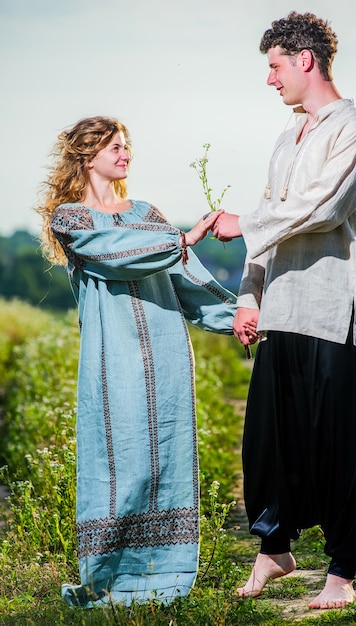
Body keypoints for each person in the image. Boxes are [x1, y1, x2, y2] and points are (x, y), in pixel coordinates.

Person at [212, 11, 356, 610]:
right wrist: (249, 296)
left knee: (342, 444)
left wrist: (242, 223)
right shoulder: (287, 139)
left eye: (275, 66)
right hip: (283, 310)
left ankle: (341, 573)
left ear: (304, 60)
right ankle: (274, 548)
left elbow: (325, 207)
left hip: (336, 309)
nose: (270, 79)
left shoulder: (354, 129)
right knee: (270, 442)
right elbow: (271, 225)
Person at [35, 116, 239, 607]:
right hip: (114, 360)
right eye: (113, 147)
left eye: (126, 146)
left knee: (166, 462)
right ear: (87, 155)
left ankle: (166, 575)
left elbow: (183, 277)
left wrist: (235, 318)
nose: (124, 154)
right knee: (123, 466)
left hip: (168, 354)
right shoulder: (72, 219)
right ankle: (109, 577)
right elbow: (116, 254)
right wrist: (182, 239)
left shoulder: (147, 212)